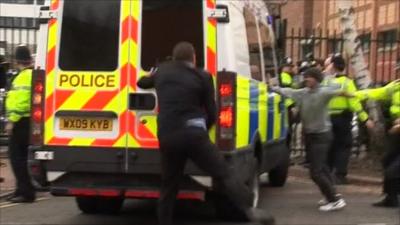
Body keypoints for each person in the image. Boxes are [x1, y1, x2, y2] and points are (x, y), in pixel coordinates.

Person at [137, 42, 275, 225]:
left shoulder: (162, 71)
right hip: (194, 135)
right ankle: (249, 209)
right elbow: (212, 111)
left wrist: (152, 74)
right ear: (193, 58)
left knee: (169, 185)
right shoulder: (202, 76)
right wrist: (205, 129)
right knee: (223, 174)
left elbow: (141, 83)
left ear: (174, 57)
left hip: (168, 136)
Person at [271, 68, 347, 212]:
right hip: (311, 135)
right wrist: (272, 88)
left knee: (316, 172)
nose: (306, 80)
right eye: (305, 77)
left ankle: (335, 200)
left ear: (317, 79)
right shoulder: (303, 93)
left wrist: (330, 77)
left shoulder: (323, 92)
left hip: (322, 135)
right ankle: (330, 194)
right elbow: (287, 91)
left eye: (310, 78)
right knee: (322, 167)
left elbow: (339, 88)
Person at [323, 54, 374, 184]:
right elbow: (354, 102)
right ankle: (339, 175)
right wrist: (365, 118)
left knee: (330, 145)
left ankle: (327, 173)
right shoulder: (347, 82)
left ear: (333, 66)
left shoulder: (326, 82)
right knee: (343, 146)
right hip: (342, 118)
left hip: (327, 118)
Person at [356, 78, 400, 208]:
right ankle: (391, 198)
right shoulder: (396, 86)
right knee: (387, 160)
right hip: (397, 133)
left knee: (394, 169)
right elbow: (376, 92)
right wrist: (354, 94)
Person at [5, 45, 36, 203]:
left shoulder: (24, 76)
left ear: (17, 60)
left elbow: (22, 102)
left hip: (21, 121)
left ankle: (26, 192)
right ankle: (20, 190)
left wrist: (12, 120)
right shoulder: (28, 75)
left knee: (17, 158)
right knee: (21, 157)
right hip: (26, 120)